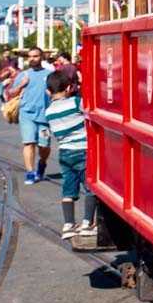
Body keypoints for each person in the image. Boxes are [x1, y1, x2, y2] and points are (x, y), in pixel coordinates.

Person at [44, 69, 94, 239]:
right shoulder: (75, 103)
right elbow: (90, 114)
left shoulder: (48, 112)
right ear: (69, 88)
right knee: (90, 187)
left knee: (68, 189)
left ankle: (68, 225)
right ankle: (87, 223)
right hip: (83, 150)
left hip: (65, 153)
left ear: (48, 92)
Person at [6, 47, 51, 183]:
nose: (32, 59)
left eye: (35, 56)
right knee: (29, 143)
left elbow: (58, 91)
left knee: (44, 146)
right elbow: (11, 93)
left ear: (41, 57)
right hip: (26, 114)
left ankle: (42, 163)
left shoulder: (50, 74)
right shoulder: (23, 74)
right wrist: (20, 86)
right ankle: (30, 172)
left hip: (44, 116)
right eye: (30, 56)